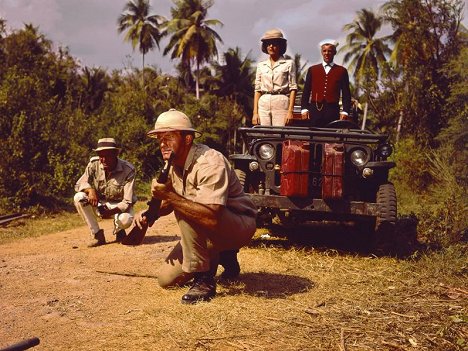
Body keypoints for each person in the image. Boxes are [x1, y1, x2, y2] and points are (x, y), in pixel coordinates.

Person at [134, 109, 257, 304]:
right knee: (166, 280)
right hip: (212, 226)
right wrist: (150, 212)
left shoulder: (210, 162)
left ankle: (204, 280)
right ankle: (226, 255)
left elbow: (210, 216)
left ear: (188, 138)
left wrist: (170, 197)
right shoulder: (173, 163)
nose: (163, 144)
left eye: (169, 137)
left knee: (187, 210)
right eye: (159, 139)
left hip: (239, 225)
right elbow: (168, 203)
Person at [74, 138, 137, 247]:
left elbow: (127, 201)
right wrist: (90, 190)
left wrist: (110, 212)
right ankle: (97, 235)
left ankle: (119, 230)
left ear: (116, 154)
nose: (104, 160)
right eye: (101, 156)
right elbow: (80, 183)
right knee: (79, 197)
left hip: (118, 205)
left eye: (108, 155)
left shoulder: (128, 170)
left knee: (125, 220)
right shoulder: (94, 164)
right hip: (100, 203)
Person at [301, 39, 352, 127]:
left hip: (333, 110)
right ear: (321, 52)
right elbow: (306, 91)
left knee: (331, 138)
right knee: (314, 137)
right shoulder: (313, 70)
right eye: (324, 51)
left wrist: (345, 111)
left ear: (334, 52)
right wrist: (304, 109)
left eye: (330, 51)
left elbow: (346, 94)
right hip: (315, 110)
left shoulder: (342, 71)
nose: (327, 53)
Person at [252, 28, 297, 127]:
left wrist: (290, 111)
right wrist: (255, 113)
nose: (271, 46)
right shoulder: (261, 65)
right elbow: (257, 90)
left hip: (281, 101)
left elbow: (293, 88)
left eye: (274, 43)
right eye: (268, 44)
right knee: (264, 135)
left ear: (280, 46)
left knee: (279, 134)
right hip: (263, 102)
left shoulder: (289, 63)